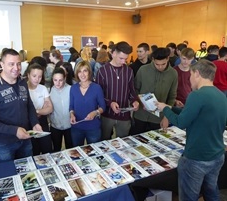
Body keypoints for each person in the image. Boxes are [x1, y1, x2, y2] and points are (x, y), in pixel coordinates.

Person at [156, 59, 227, 201]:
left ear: (197, 73)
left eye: (190, 75)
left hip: (196, 158)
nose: (189, 79)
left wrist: (164, 109)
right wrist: (171, 108)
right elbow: (195, 114)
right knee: (211, 191)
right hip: (217, 154)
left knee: (189, 197)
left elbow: (181, 122)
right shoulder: (220, 95)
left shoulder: (197, 95)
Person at [0, 49, 42, 163]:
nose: (16, 68)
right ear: (2, 65)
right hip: (3, 144)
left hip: (25, 138)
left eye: (18, 64)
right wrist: (14, 131)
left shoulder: (22, 82)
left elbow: (28, 104)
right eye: (11, 64)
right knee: (9, 175)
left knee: (28, 172)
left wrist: (35, 122)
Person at [96, 41, 139, 140]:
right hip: (107, 114)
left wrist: (134, 101)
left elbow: (131, 90)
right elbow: (98, 95)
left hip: (124, 114)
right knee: (104, 141)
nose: (124, 62)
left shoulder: (129, 71)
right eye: (121, 58)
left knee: (123, 142)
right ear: (113, 53)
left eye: (126, 59)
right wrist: (110, 103)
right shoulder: (102, 71)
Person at [131, 47, 177, 135]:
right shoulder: (143, 70)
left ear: (168, 59)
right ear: (152, 59)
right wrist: (140, 101)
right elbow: (135, 89)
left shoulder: (173, 73)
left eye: (163, 64)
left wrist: (167, 117)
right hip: (140, 115)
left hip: (158, 117)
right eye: (157, 64)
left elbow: (172, 96)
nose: (160, 67)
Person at [69, 61, 106, 146]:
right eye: (79, 71)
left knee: (94, 153)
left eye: (85, 71)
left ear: (89, 72)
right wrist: (71, 114)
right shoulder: (73, 88)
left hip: (93, 127)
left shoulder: (96, 88)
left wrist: (95, 112)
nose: (82, 74)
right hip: (77, 126)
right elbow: (71, 106)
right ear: (77, 74)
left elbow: (103, 106)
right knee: (77, 153)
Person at [26, 63, 53, 155]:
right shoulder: (23, 89)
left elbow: (50, 108)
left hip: (42, 121)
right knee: (34, 150)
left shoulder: (43, 88)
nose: (37, 79)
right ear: (28, 75)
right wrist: (42, 110)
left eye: (40, 77)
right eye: (34, 76)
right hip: (28, 124)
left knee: (47, 148)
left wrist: (36, 111)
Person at [50, 67, 73, 152]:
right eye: (55, 80)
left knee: (70, 148)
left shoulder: (71, 89)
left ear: (65, 79)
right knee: (56, 149)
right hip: (55, 125)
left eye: (60, 80)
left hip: (69, 125)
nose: (58, 83)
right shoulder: (50, 91)